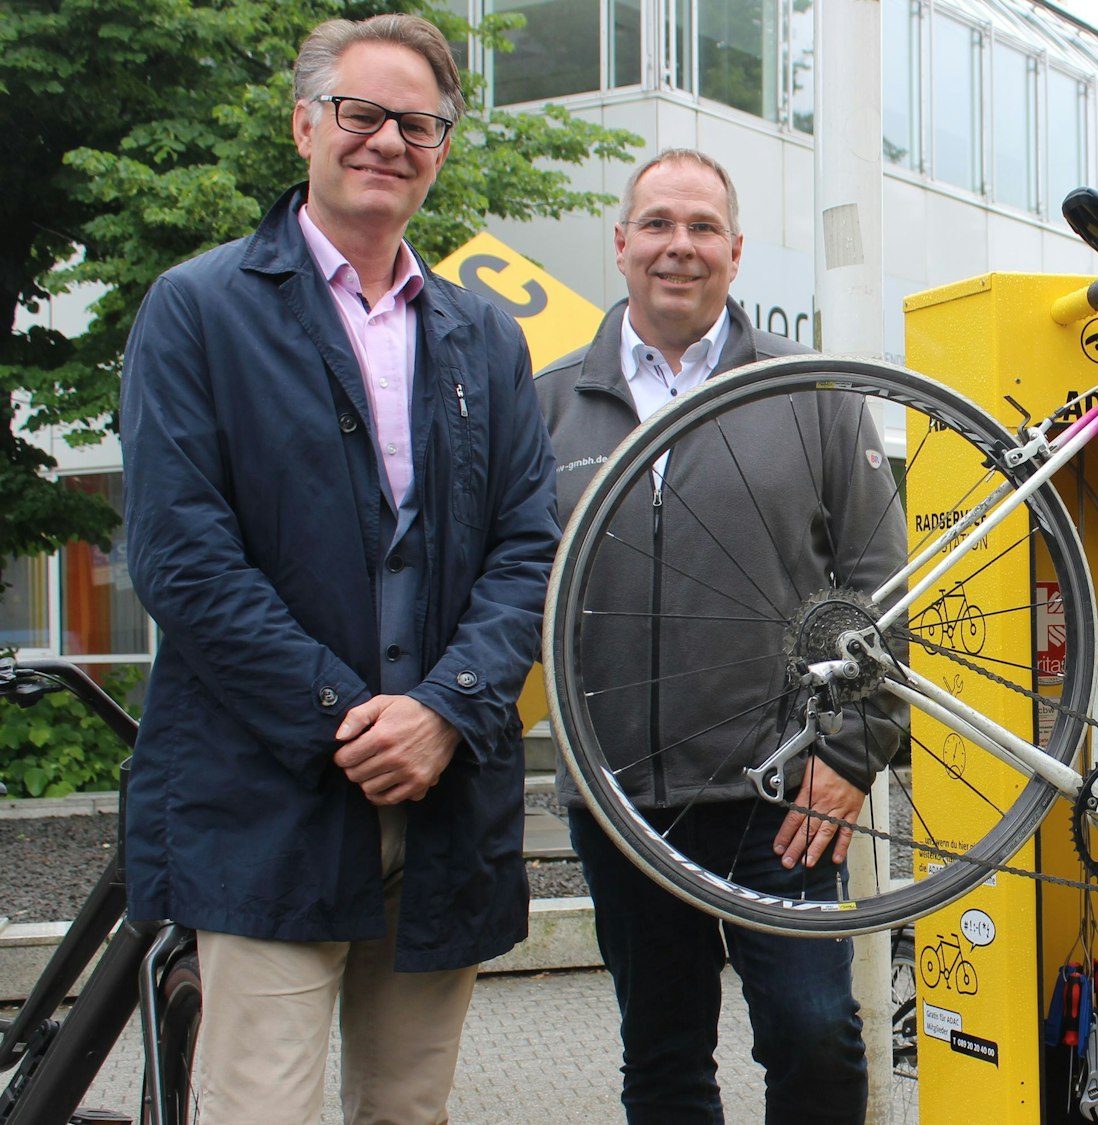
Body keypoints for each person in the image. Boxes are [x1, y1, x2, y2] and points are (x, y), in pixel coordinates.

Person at [119, 14, 557, 1123]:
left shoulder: (486, 339)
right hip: (267, 793)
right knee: (257, 1105)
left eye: (418, 123)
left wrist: (444, 711)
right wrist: (345, 716)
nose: (387, 141)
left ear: (442, 148)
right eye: (361, 114)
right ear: (306, 122)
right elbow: (181, 557)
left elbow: (526, 550)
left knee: (407, 1112)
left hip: (447, 794)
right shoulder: (199, 308)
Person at [536, 148, 903, 1124]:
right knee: (661, 1058)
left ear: (735, 253)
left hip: (783, 794)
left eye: (701, 228)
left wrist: (854, 752)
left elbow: (882, 588)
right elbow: (510, 590)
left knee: (817, 1038)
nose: (678, 247)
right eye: (657, 224)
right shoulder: (548, 403)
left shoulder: (810, 390)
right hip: (620, 796)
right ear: (620, 244)